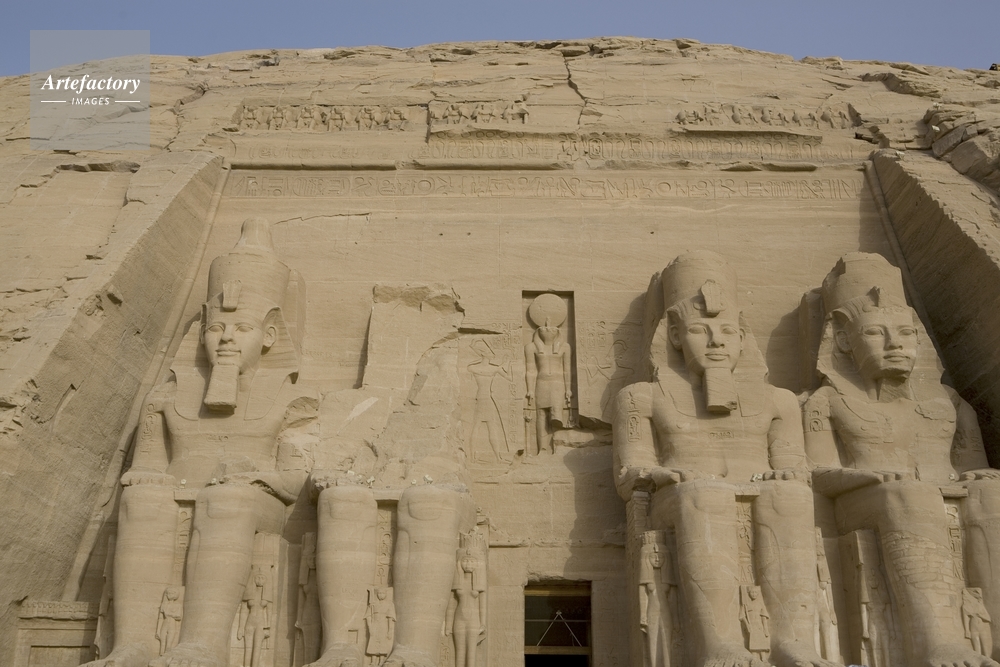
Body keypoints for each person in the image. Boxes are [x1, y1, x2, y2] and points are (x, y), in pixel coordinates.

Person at [82, 218, 318, 667]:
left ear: (270, 336)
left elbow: (295, 479)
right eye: (216, 328)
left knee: (225, 500)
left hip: (254, 501)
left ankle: (204, 643)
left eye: (242, 328)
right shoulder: (167, 395)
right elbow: (145, 467)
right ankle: (132, 644)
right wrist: (149, 479)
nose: (226, 339)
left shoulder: (291, 398)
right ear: (203, 330)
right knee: (142, 501)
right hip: (182, 491)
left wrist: (253, 476)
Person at [613, 251, 836, 667]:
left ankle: (793, 642)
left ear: (743, 339)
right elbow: (629, 472)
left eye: (728, 331)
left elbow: (795, 464)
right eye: (701, 330)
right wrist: (663, 472)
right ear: (675, 336)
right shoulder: (642, 396)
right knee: (707, 494)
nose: (716, 341)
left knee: (790, 497)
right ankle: (720, 643)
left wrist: (788, 473)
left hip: (757, 489)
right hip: (681, 497)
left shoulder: (778, 400)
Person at [804, 252, 999, 667]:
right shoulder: (828, 401)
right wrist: (868, 476)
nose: (896, 345)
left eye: (906, 333)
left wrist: (977, 475)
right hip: (864, 499)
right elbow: (817, 473)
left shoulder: (948, 403)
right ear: (844, 341)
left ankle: (996, 637)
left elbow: (970, 466)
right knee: (909, 495)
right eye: (876, 333)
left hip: (932, 490)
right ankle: (937, 641)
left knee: (992, 496)